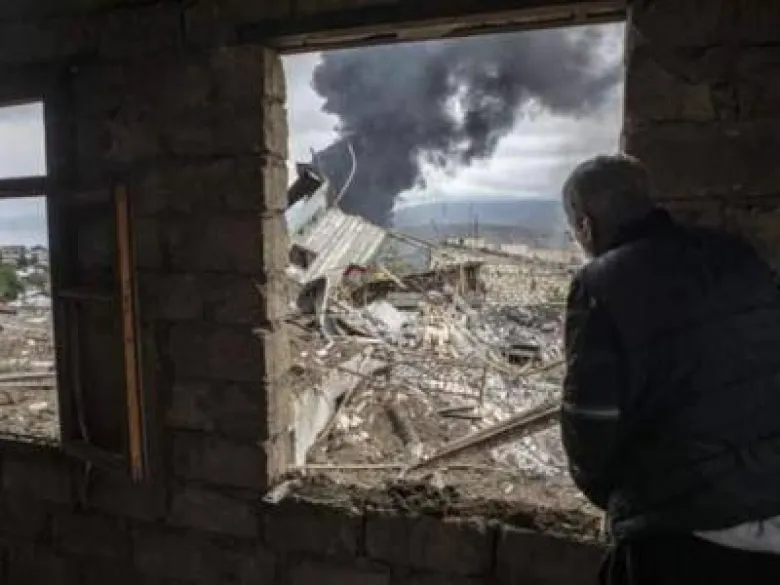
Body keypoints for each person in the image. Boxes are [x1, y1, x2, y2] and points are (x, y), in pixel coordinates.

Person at [559, 154, 780, 584]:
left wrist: (624, 501)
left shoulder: (600, 285)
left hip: (682, 534)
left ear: (586, 226)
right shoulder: (739, 256)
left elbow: (589, 428)